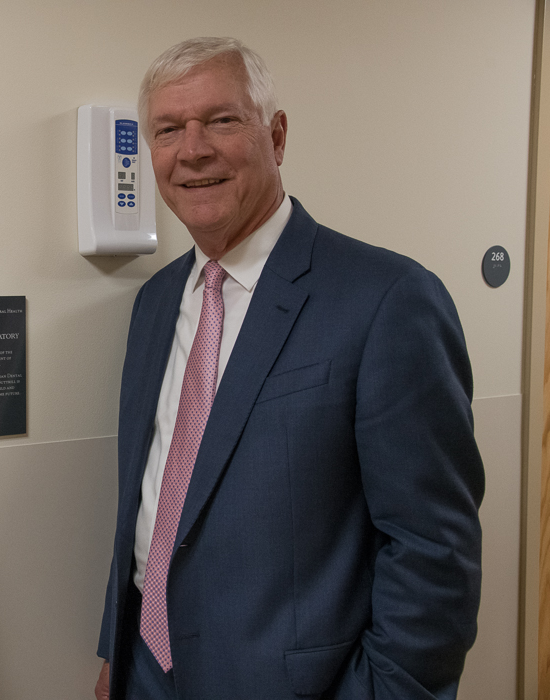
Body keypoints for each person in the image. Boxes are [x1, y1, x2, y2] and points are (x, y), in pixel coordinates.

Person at [95, 37, 483, 700]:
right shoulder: (154, 305)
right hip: (147, 673)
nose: (192, 150)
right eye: (168, 129)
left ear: (275, 137)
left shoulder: (387, 300)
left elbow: (433, 554)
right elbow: (151, 503)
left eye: (221, 120)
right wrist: (117, 655)